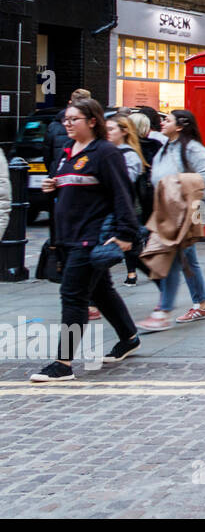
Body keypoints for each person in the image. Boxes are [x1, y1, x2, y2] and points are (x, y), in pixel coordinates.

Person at [30, 98, 141, 382]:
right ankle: (129, 337)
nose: (67, 124)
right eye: (66, 119)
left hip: (90, 238)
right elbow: (66, 191)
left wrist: (127, 235)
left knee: (73, 296)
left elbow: (122, 194)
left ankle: (62, 363)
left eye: (73, 119)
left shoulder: (105, 153)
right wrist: (50, 188)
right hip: (67, 237)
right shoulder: (67, 152)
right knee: (101, 291)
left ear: (92, 121)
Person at [135, 109, 205, 332]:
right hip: (169, 211)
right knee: (184, 258)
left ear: (180, 126)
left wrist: (174, 183)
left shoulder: (192, 148)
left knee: (177, 257)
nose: (162, 122)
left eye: (167, 120)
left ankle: (165, 310)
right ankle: (199, 304)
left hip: (189, 209)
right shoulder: (166, 147)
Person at [106, 112, 147, 287]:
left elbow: (124, 184)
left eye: (110, 129)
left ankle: (136, 272)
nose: (106, 132)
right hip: (109, 208)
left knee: (131, 242)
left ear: (124, 131)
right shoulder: (106, 152)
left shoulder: (130, 155)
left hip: (129, 207)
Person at [43, 88, 91, 173]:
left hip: (58, 174)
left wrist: (53, 171)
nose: (68, 124)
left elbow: (47, 155)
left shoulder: (54, 126)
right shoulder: (92, 125)